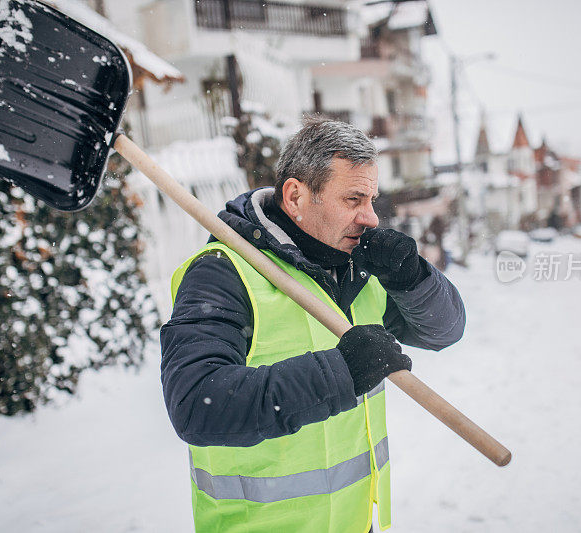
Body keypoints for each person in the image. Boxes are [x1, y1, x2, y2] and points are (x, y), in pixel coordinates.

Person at [161, 118, 466, 533]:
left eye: (372, 199)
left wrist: (412, 278)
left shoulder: (358, 273)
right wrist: (340, 373)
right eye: (354, 199)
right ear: (296, 196)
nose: (371, 218)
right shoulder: (224, 274)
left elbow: (444, 331)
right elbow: (197, 405)